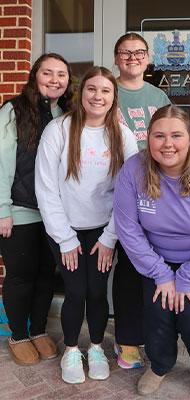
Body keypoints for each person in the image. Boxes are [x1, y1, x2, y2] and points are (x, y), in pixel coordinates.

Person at [114, 105, 190, 398]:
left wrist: (185, 278)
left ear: (189, 138)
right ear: (149, 140)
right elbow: (128, 230)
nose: (167, 144)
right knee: (157, 310)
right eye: (159, 136)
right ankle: (160, 365)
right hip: (156, 255)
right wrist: (160, 274)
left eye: (175, 135)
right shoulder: (133, 170)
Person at [35, 66, 138, 384]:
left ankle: (95, 347)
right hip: (64, 227)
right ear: (82, 94)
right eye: (92, 89)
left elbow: (130, 190)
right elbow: (46, 186)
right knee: (76, 290)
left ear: (113, 97)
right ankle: (70, 349)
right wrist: (65, 238)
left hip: (103, 229)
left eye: (106, 91)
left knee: (96, 291)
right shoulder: (59, 129)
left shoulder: (122, 134)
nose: (98, 96)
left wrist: (111, 236)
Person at [0, 53, 72, 366]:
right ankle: (18, 334)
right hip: (21, 208)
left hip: (56, 212)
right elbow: (2, 162)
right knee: (20, 275)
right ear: (35, 76)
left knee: (46, 274)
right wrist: (2, 208)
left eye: (61, 74)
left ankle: (39, 330)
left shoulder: (69, 112)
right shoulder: (13, 109)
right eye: (48, 73)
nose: (55, 80)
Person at [112, 32, 171, 369]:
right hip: (116, 189)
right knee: (128, 270)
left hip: (152, 189)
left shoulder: (158, 94)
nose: (132, 58)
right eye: (125, 52)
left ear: (148, 59)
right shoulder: (108, 89)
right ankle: (128, 341)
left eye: (138, 53)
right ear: (116, 58)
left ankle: (154, 337)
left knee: (153, 266)